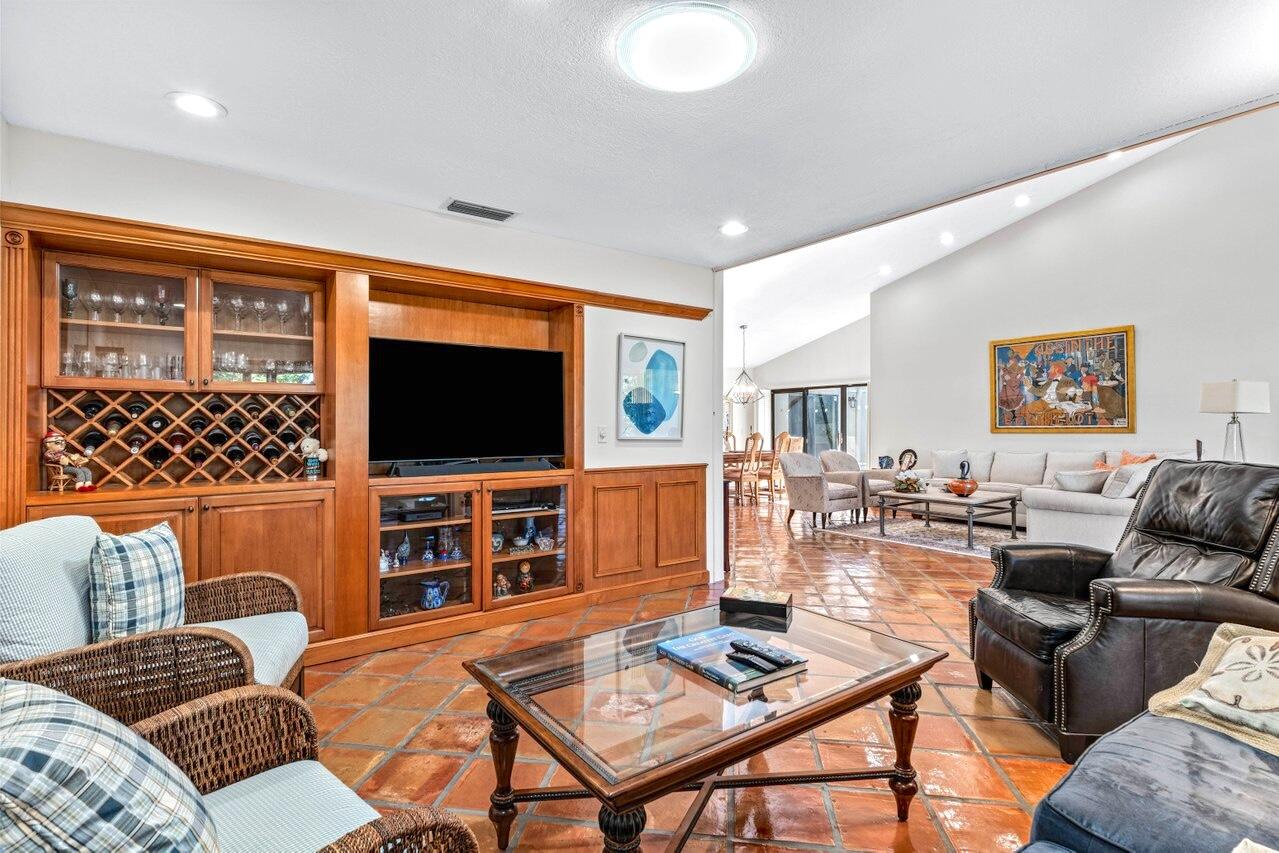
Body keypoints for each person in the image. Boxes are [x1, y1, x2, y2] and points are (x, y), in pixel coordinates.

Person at [42, 428, 95, 492]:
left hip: (71, 466)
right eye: (57, 442)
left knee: (86, 470)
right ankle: (79, 486)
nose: (62, 444)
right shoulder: (49, 453)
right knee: (78, 471)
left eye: (63, 442)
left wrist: (77, 458)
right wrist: (61, 458)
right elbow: (52, 458)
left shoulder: (63, 452)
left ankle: (88, 485)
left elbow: (70, 456)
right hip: (62, 469)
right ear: (48, 444)